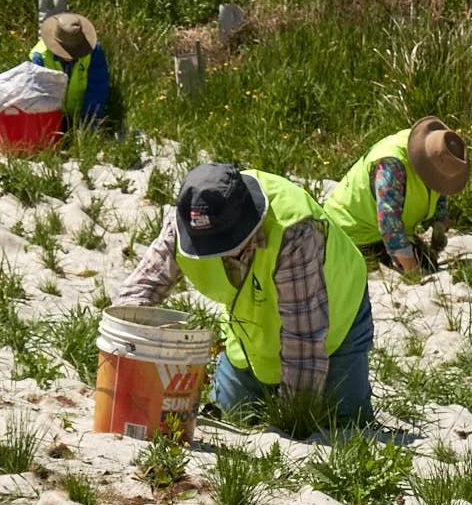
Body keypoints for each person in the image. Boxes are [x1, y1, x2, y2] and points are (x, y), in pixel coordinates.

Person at [113, 162, 373, 423]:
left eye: (224, 243)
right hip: (250, 332)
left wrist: (293, 423)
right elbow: (138, 292)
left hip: (335, 324)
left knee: (340, 425)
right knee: (232, 419)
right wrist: (126, 364)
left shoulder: (293, 230)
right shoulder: (185, 222)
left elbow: (303, 341)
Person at [323, 116, 469, 279]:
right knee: (418, 266)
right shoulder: (391, 167)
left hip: (391, 226)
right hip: (352, 231)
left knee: (428, 263)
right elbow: (389, 222)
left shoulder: (434, 155)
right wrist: (413, 272)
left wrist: (439, 224)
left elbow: (440, 189)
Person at [28, 11, 110, 133]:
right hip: (53, 117)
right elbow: (40, 95)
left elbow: (98, 86)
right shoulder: (40, 56)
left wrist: (90, 122)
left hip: (81, 114)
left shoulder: (94, 51)